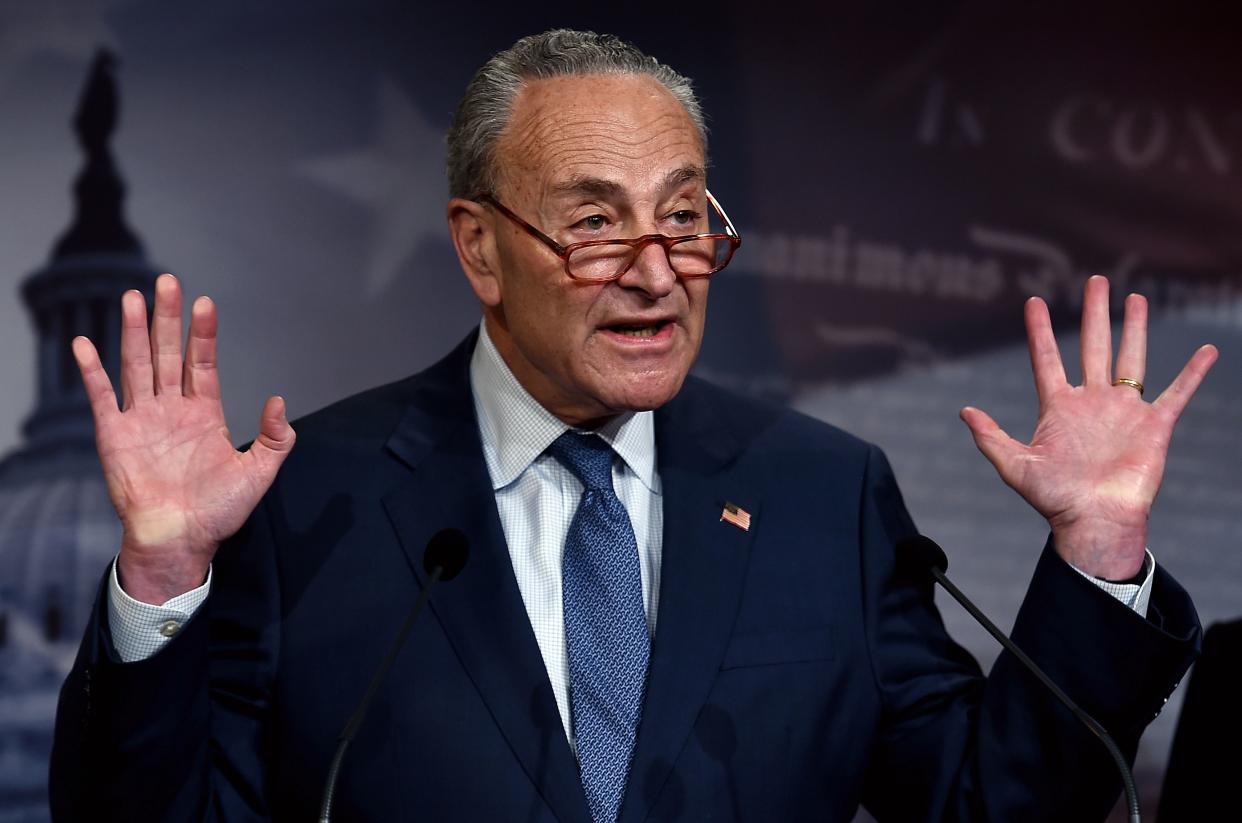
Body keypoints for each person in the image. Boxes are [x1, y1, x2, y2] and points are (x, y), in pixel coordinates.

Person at [50, 29, 1217, 822]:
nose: (659, 273)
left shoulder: (823, 492)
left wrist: (1099, 553)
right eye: (598, 223)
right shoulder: (310, 498)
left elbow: (983, 801)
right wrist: (162, 571)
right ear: (479, 246)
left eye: (684, 216)